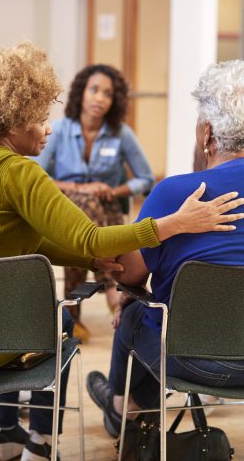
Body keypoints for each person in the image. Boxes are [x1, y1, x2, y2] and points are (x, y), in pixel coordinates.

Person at [0, 43, 244, 461]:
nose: (48, 129)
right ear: (12, 120)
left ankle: (1, 431)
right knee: (53, 320)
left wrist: (88, 262)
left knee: (5, 308)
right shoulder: (22, 173)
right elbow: (92, 237)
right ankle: (40, 442)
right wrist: (173, 224)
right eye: (41, 118)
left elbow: (14, 240)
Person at [87, 59, 244, 438]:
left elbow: (128, 274)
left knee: (135, 311)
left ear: (207, 133)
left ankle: (124, 411)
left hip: (191, 361)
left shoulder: (177, 193)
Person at [35, 64, 155, 341]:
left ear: (114, 101)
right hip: (66, 205)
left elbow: (145, 179)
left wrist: (116, 191)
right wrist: (80, 187)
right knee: (81, 206)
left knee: (82, 219)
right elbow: (35, 175)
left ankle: (73, 312)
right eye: (94, 90)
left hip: (106, 208)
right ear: (82, 93)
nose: (100, 98)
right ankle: (115, 291)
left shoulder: (121, 133)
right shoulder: (60, 130)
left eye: (108, 93)